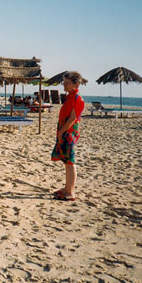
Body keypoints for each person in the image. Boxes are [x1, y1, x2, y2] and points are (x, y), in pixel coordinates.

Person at [52, 72, 85, 201]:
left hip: (69, 132)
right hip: (65, 131)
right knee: (66, 160)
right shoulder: (70, 97)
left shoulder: (77, 98)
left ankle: (70, 191)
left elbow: (72, 118)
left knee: (70, 161)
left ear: (75, 84)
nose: (64, 85)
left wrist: (62, 132)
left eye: (67, 83)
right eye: (64, 83)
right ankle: (67, 188)